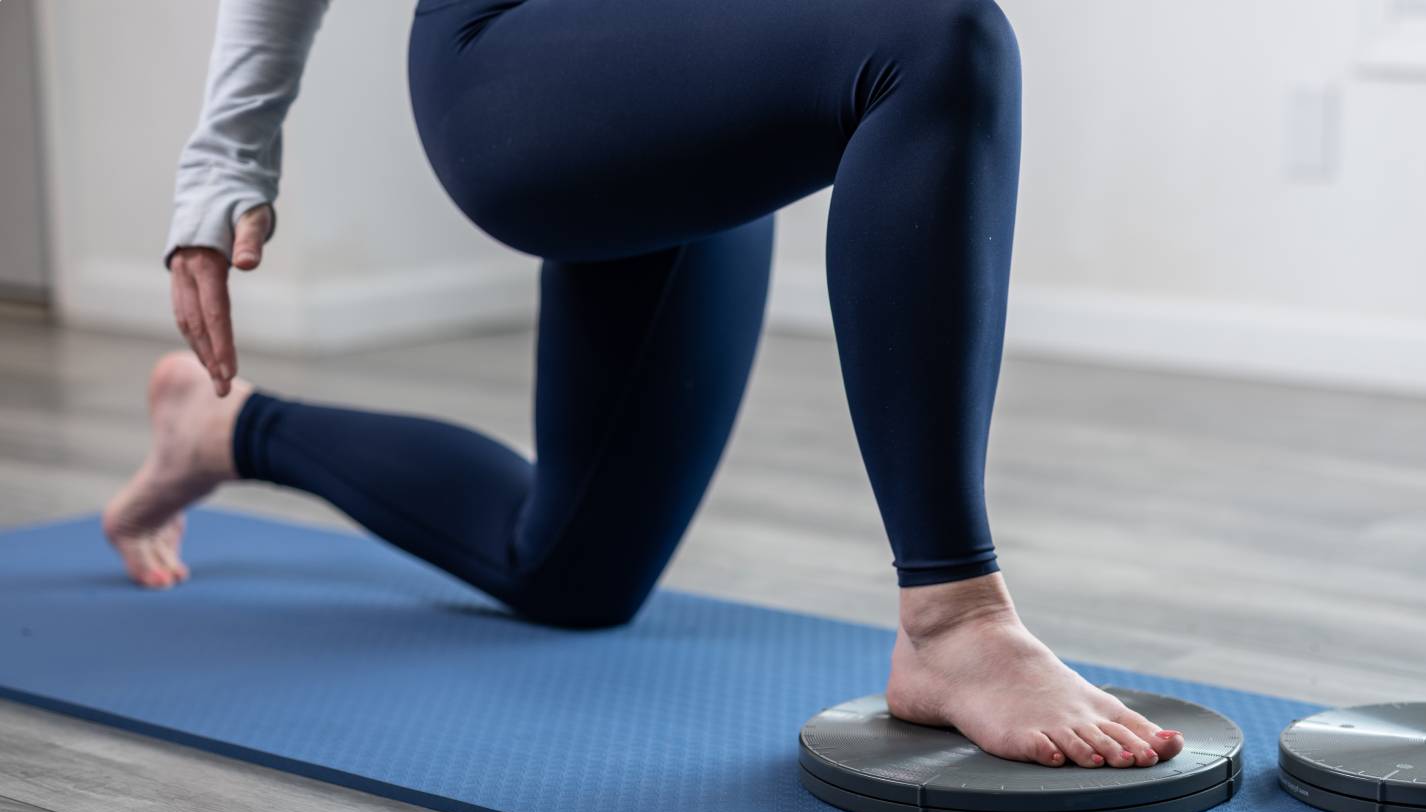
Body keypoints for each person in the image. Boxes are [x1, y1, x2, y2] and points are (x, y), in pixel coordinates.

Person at [106, 0, 1186, 772]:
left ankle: (226, 430)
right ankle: (952, 620)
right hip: (516, 60)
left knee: (574, 571)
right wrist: (223, 161)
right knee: (940, 37)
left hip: (691, 49)